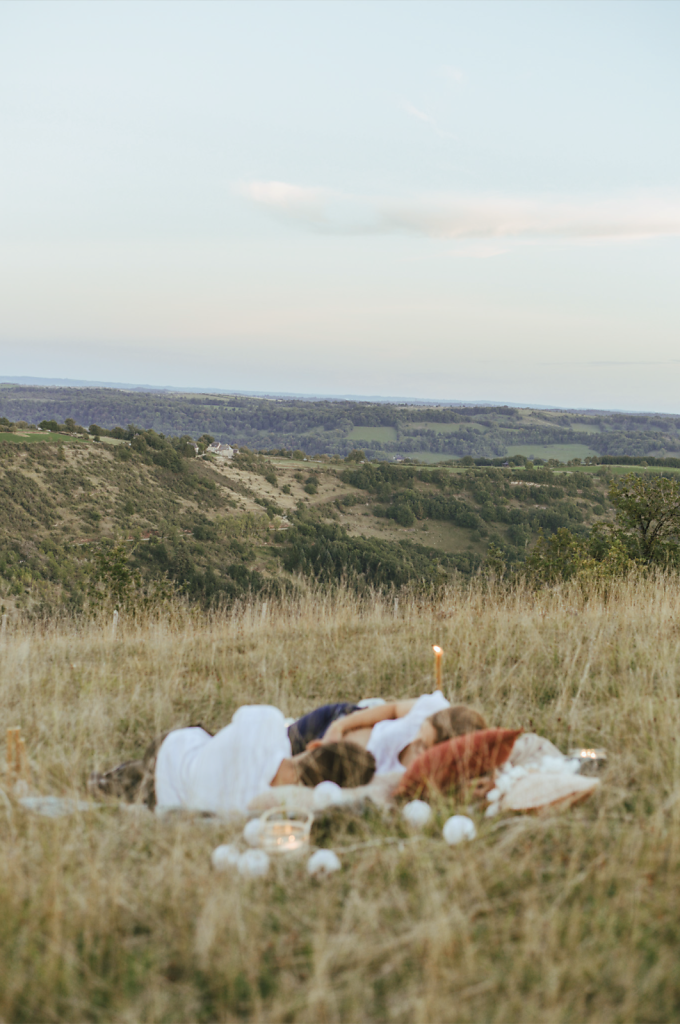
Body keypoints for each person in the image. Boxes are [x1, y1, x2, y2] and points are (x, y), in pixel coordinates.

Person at [89, 705, 376, 815]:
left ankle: (116, 777)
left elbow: (241, 716)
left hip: (174, 748)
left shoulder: (269, 725)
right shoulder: (262, 810)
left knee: (204, 742)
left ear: (314, 745)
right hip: (165, 798)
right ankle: (115, 781)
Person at [319, 698, 487, 775]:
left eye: (422, 745)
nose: (414, 741)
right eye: (421, 730)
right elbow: (392, 709)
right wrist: (338, 727)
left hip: (326, 763)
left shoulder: (425, 777)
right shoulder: (436, 710)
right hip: (338, 722)